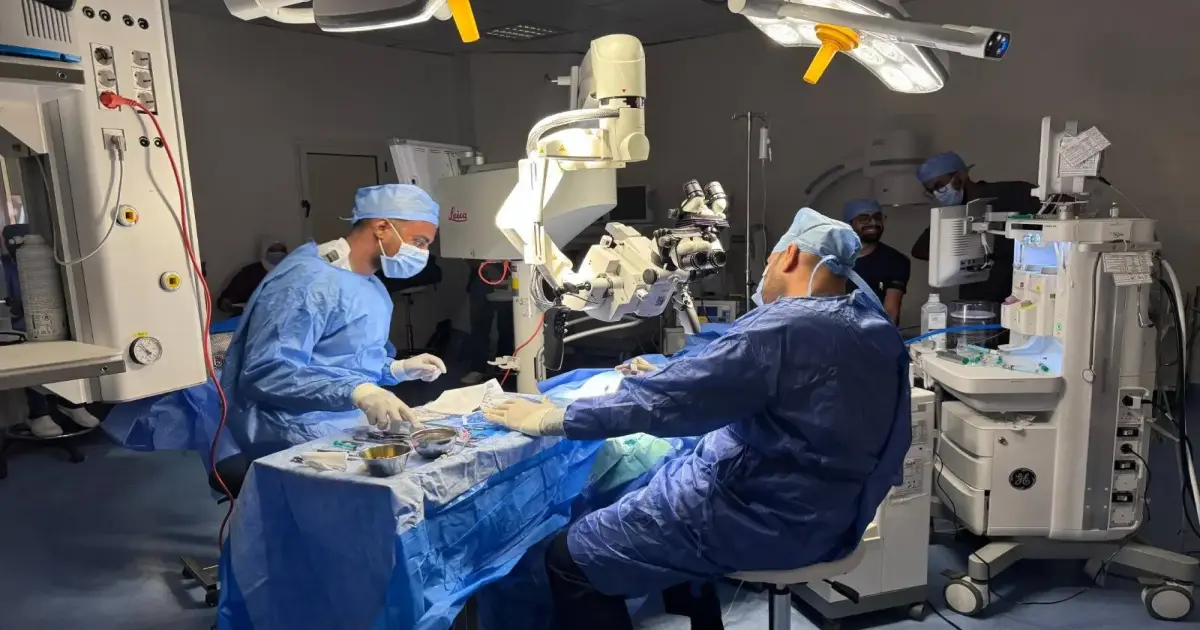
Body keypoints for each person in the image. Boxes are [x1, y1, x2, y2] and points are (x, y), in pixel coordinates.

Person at [484, 208, 911, 630]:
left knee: (570, 557)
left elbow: (669, 401)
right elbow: (770, 385)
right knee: (660, 490)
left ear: (790, 255)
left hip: (765, 520)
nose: (766, 273)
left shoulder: (782, 328)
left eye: (768, 262)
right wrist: (678, 374)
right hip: (838, 517)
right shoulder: (875, 326)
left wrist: (557, 418)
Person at [220, 184, 448, 460]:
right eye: (419, 242)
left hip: (344, 423)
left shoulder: (371, 286)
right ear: (382, 227)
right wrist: (355, 390)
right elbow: (267, 374)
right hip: (290, 432)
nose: (423, 253)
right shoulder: (305, 282)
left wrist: (396, 368)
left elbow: (347, 360)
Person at [911, 151, 1041, 304]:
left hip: (1021, 292)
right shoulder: (952, 213)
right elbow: (920, 250)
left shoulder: (1015, 193)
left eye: (940, 186)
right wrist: (957, 255)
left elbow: (1053, 217)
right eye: (931, 191)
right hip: (977, 297)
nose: (937, 194)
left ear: (961, 175)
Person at [843, 198, 909, 324]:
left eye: (877, 217)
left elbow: (891, 312)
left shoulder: (895, 261)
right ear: (848, 224)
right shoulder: (831, 257)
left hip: (872, 330)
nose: (873, 222)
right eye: (864, 218)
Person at [462, 261, 515, 385]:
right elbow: (468, 255)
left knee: (507, 327)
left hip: (512, 274)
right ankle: (477, 368)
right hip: (482, 276)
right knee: (479, 326)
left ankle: (504, 369)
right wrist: (486, 268)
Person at [217, 240, 288, 315]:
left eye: (281, 250)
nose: (278, 254)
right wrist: (226, 301)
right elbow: (232, 294)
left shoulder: (291, 271)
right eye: (273, 250)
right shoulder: (250, 272)